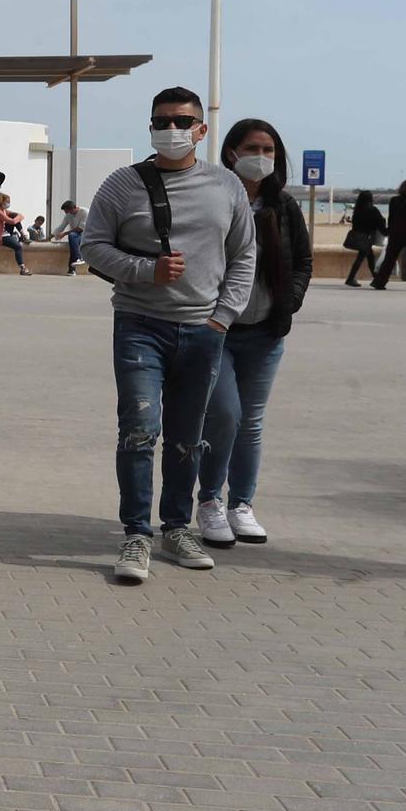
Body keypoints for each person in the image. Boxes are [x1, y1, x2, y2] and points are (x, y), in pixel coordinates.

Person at [83, 86, 255, 584]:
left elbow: (243, 255)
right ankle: (136, 533)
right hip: (140, 325)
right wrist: (144, 270)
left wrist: (223, 316)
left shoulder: (226, 187)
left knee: (187, 437)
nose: (172, 129)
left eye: (183, 121)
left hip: (204, 330)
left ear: (202, 129)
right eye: (163, 120)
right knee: (139, 430)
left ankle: (177, 527)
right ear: (151, 127)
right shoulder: (122, 185)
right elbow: (93, 246)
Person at [194, 118, 309, 550]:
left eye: (269, 150)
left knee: (251, 422)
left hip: (267, 333)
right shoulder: (214, 199)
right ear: (231, 153)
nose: (261, 157)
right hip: (217, 329)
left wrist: (288, 302)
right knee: (225, 415)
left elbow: (303, 262)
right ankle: (209, 501)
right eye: (253, 148)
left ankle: (241, 504)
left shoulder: (284, 207)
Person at [344, 190, 386, 286]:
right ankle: (351, 278)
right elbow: (380, 223)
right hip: (367, 238)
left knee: (370, 256)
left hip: (359, 237)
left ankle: (375, 278)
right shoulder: (373, 210)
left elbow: (355, 226)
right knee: (361, 257)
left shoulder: (357, 211)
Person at [0, 192, 30, 275]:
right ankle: (22, 268)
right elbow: (12, 221)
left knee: (14, 217)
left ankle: (23, 235)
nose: (8, 203)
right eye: (7, 202)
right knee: (18, 247)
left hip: (6, 233)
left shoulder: (5, 211)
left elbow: (14, 216)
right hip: (1, 236)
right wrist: (20, 217)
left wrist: (18, 216)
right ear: (2, 202)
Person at [53, 199, 88, 274]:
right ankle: (72, 269)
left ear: (73, 208)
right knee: (73, 245)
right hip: (76, 235)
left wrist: (65, 233)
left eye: (68, 211)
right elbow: (61, 227)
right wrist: (51, 236)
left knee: (72, 236)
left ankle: (79, 258)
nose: (67, 214)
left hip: (86, 234)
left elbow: (80, 228)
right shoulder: (69, 215)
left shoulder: (84, 212)